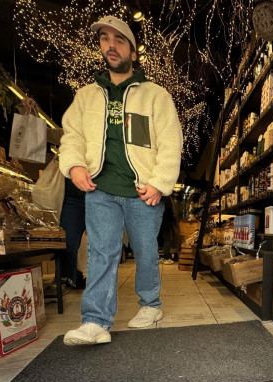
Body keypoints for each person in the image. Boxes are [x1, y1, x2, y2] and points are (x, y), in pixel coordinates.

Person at [58, 16, 182, 345]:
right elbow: (71, 137)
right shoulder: (86, 97)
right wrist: (74, 167)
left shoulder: (156, 96)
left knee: (145, 251)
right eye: (105, 38)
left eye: (120, 40)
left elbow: (171, 143)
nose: (111, 45)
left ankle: (151, 304)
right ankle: (96, 321)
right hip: (101, 189)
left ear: (133, 51)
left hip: (143, 192)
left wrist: (160, 182)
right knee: (101, 252)